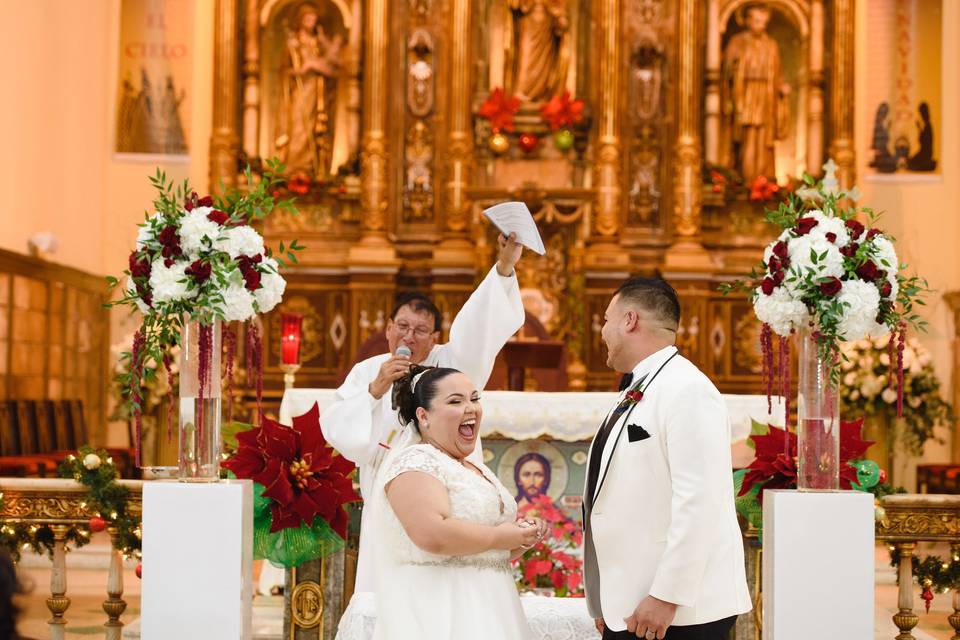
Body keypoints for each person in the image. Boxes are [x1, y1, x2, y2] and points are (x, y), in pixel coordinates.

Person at [322, 233, 525, 593]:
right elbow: (338, 430)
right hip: (387, 494)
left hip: (446, 495)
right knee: (386, 589)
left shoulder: (453, 364)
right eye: (402, 327)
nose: (410, 337)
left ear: (435, 337)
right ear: (387, 329)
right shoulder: (368, 372)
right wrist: (374, 391)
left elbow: (479, 328)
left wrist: (504, 267)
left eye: (420, 330)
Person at [583, 277, 751, 640]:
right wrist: (605, 598)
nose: (602, 332)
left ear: (630, 320)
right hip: (633, 604)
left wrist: (666, 595)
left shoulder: (687, 389)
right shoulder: (642, 384)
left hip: (677, 611)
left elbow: (700, 501)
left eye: (606, 320)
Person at [366, 366, 545, 639]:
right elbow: (432, 535)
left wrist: (520, 538)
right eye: (455, 401)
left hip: (493, 608)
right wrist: (500, 536)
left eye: (474, 399)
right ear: (423, 416)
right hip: (442, 611)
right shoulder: (416, 462)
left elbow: (480, 551)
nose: (471, 408)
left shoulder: (474, 468)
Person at [721, 2, 790, 181]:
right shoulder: (737, 42)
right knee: (748, 135)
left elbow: (778, 72)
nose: (761, 25)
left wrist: (782, 87)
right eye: (758, 21)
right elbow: (726, 70)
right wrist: (733, 65)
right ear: (748, 21)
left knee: (764, 138)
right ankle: (746, 178)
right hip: (745, 95)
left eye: (764, 22)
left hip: (766, 96)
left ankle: (764, 180)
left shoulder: (771, 44)